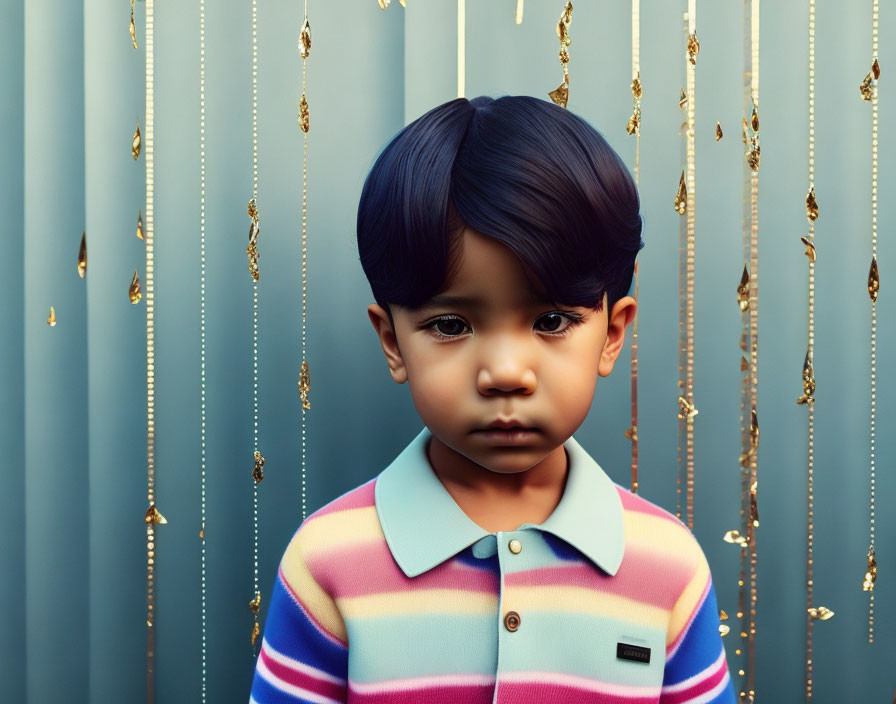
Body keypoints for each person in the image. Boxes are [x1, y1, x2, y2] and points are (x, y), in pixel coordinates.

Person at [248, 95, 736, 703]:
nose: (505, 372)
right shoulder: (327, 565)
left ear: (612, 334)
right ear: (392, 341)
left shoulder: (668, 569)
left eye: (552, 320)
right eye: (451, 325)